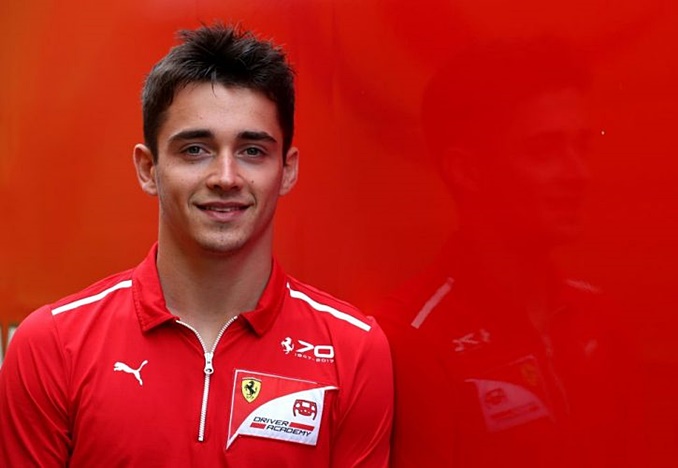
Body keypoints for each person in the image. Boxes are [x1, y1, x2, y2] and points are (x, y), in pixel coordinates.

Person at [0, 24, 393, 467]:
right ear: (148, 169)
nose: (225, 177)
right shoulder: (53, 345)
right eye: (195, 150)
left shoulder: (352, 352)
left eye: (252, 151)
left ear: (287, 170)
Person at [376, 37, 639, 467]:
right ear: (467, 171)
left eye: (581, 145)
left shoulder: (600, 317)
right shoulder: (411, 340)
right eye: (545, 150)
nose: (578, 174)